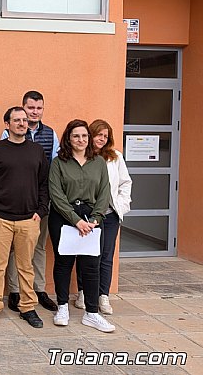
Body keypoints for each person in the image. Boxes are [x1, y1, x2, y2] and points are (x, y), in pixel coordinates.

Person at [0, 107, 49, 329]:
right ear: (7, 124)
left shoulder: (37, 151)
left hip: (29, 219)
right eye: (16, 120)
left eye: (24, 120)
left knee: (25, 266)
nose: (21, 123)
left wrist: (40, 211)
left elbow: (44, 185)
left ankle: (28, 307)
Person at [48, 119, 115, 333]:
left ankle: (92, 313)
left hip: (93, 219)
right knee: (64, 264)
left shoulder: (99, 163)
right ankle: (62, 307)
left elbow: (104, 193)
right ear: (69, 138)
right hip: (64, 217)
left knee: (91, 266)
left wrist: (95, 219)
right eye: (76, 136)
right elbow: (56, 195)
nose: (81, 140)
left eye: (84, 136)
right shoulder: (59, 163)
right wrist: (75, 220)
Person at [2, 90, 59, 312]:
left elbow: (53, 168)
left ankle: (39, 289)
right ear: (23, 109)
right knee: (16, 248)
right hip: (16, 202)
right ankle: (15, 291)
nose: (34, 112)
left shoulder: (51, 134)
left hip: (41, 201)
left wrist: (44, 203)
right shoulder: (6, 133)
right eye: (30, 108)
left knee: (38, 247)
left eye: (39, 108)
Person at [74, 119, 132, 314]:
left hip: (110, 215)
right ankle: (83, 292)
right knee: (87, 255)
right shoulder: (84, 157)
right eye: (99, 134)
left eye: (105, 136)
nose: (102, 139)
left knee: (106, 257)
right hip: (89, 216)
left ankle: (103, 296)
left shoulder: (115, 157)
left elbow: (126, 183)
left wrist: (122, 206)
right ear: (91, 135)